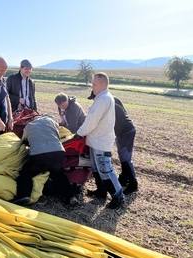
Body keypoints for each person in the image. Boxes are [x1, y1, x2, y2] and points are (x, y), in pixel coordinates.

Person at [77, 72, 124, 209]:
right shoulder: (102, 97)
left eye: (94, 84)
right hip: (96, 140)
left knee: (105, 170)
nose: (92, 86)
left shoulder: (103, 99)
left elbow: (92, 120)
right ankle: (101, 192)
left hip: (101, 142)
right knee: (97, 168)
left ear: (103, 84)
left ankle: (118, 196)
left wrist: (79, 133)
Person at [13, 115, 76, 205]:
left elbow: (24, 141)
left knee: (25, 174)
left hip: (39, 155)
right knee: (58, 174)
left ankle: (24, 196)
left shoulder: (28, 126)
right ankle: (70, 196)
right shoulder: (51, 122)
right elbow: (57, 135)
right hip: (58, 152)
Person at [88, 92, 138, 194]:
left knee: (125, 158)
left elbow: (111, 123)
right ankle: (124, 179)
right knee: (123, 156)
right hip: (124, 130)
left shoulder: (109, 105)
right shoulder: (112, 99)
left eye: (94, 98)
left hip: (125, 132)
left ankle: (133, 184)